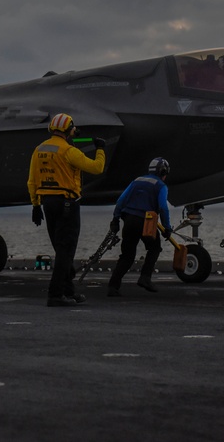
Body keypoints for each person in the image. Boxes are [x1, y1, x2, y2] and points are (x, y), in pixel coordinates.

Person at [27, 113, 106, 307]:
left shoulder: (39, 150)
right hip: (67, 204)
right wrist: (101, 149)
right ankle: (55, 295)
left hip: (47, 203)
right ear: (68, 129)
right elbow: (97, 168)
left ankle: (69, 292)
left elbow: (32, 181)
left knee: (61, 248)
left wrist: (35, 205)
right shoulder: (69, 151)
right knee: (65, 250)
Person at [106, 157, 171, 297]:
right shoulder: (161, 185)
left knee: (127, 256)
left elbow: (121, 200)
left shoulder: (136, 180)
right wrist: (167, 228)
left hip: (128, 220)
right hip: (147, 222)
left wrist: (115, 220)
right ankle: (145, 278)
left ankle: (113, 287)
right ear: (163, 171)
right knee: (154, 248)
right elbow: (163, 207)